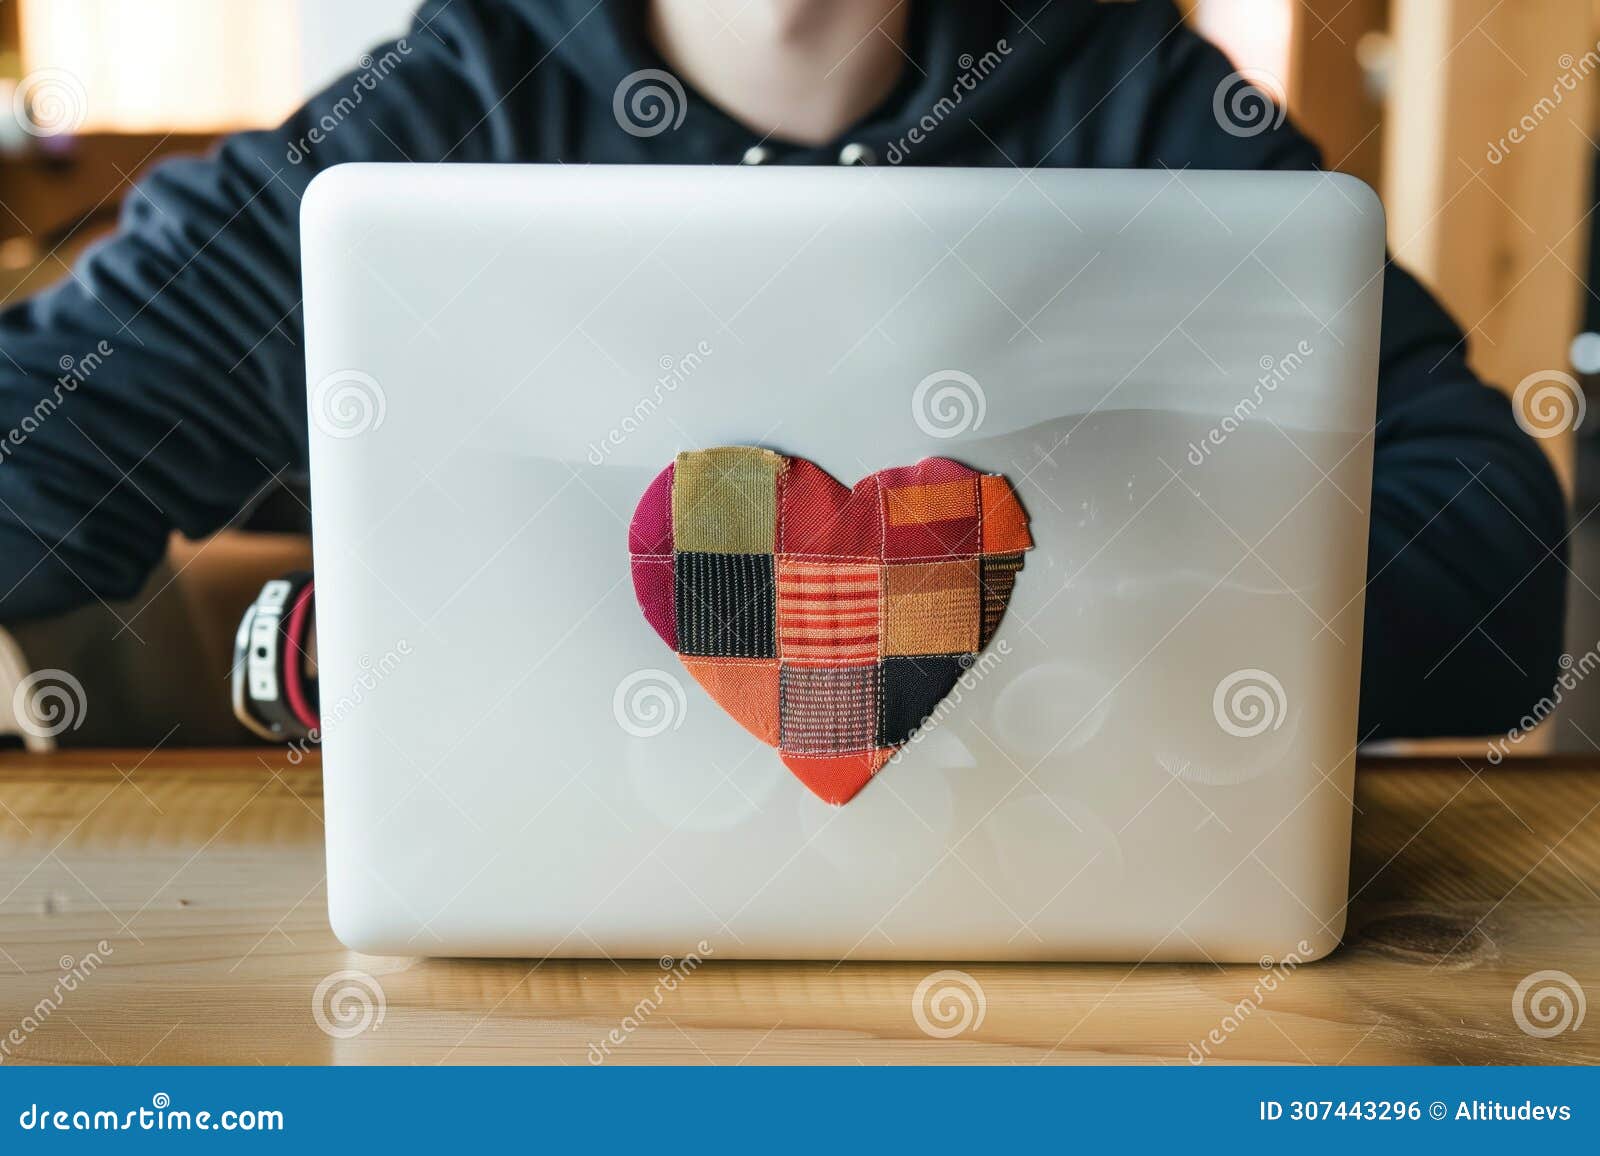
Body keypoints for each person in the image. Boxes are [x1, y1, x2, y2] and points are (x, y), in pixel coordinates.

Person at [0, 0, 1568, 740]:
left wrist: (927, 602)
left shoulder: (1143, 110)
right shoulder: (420, 131)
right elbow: (32, 454)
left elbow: (1492, 561)